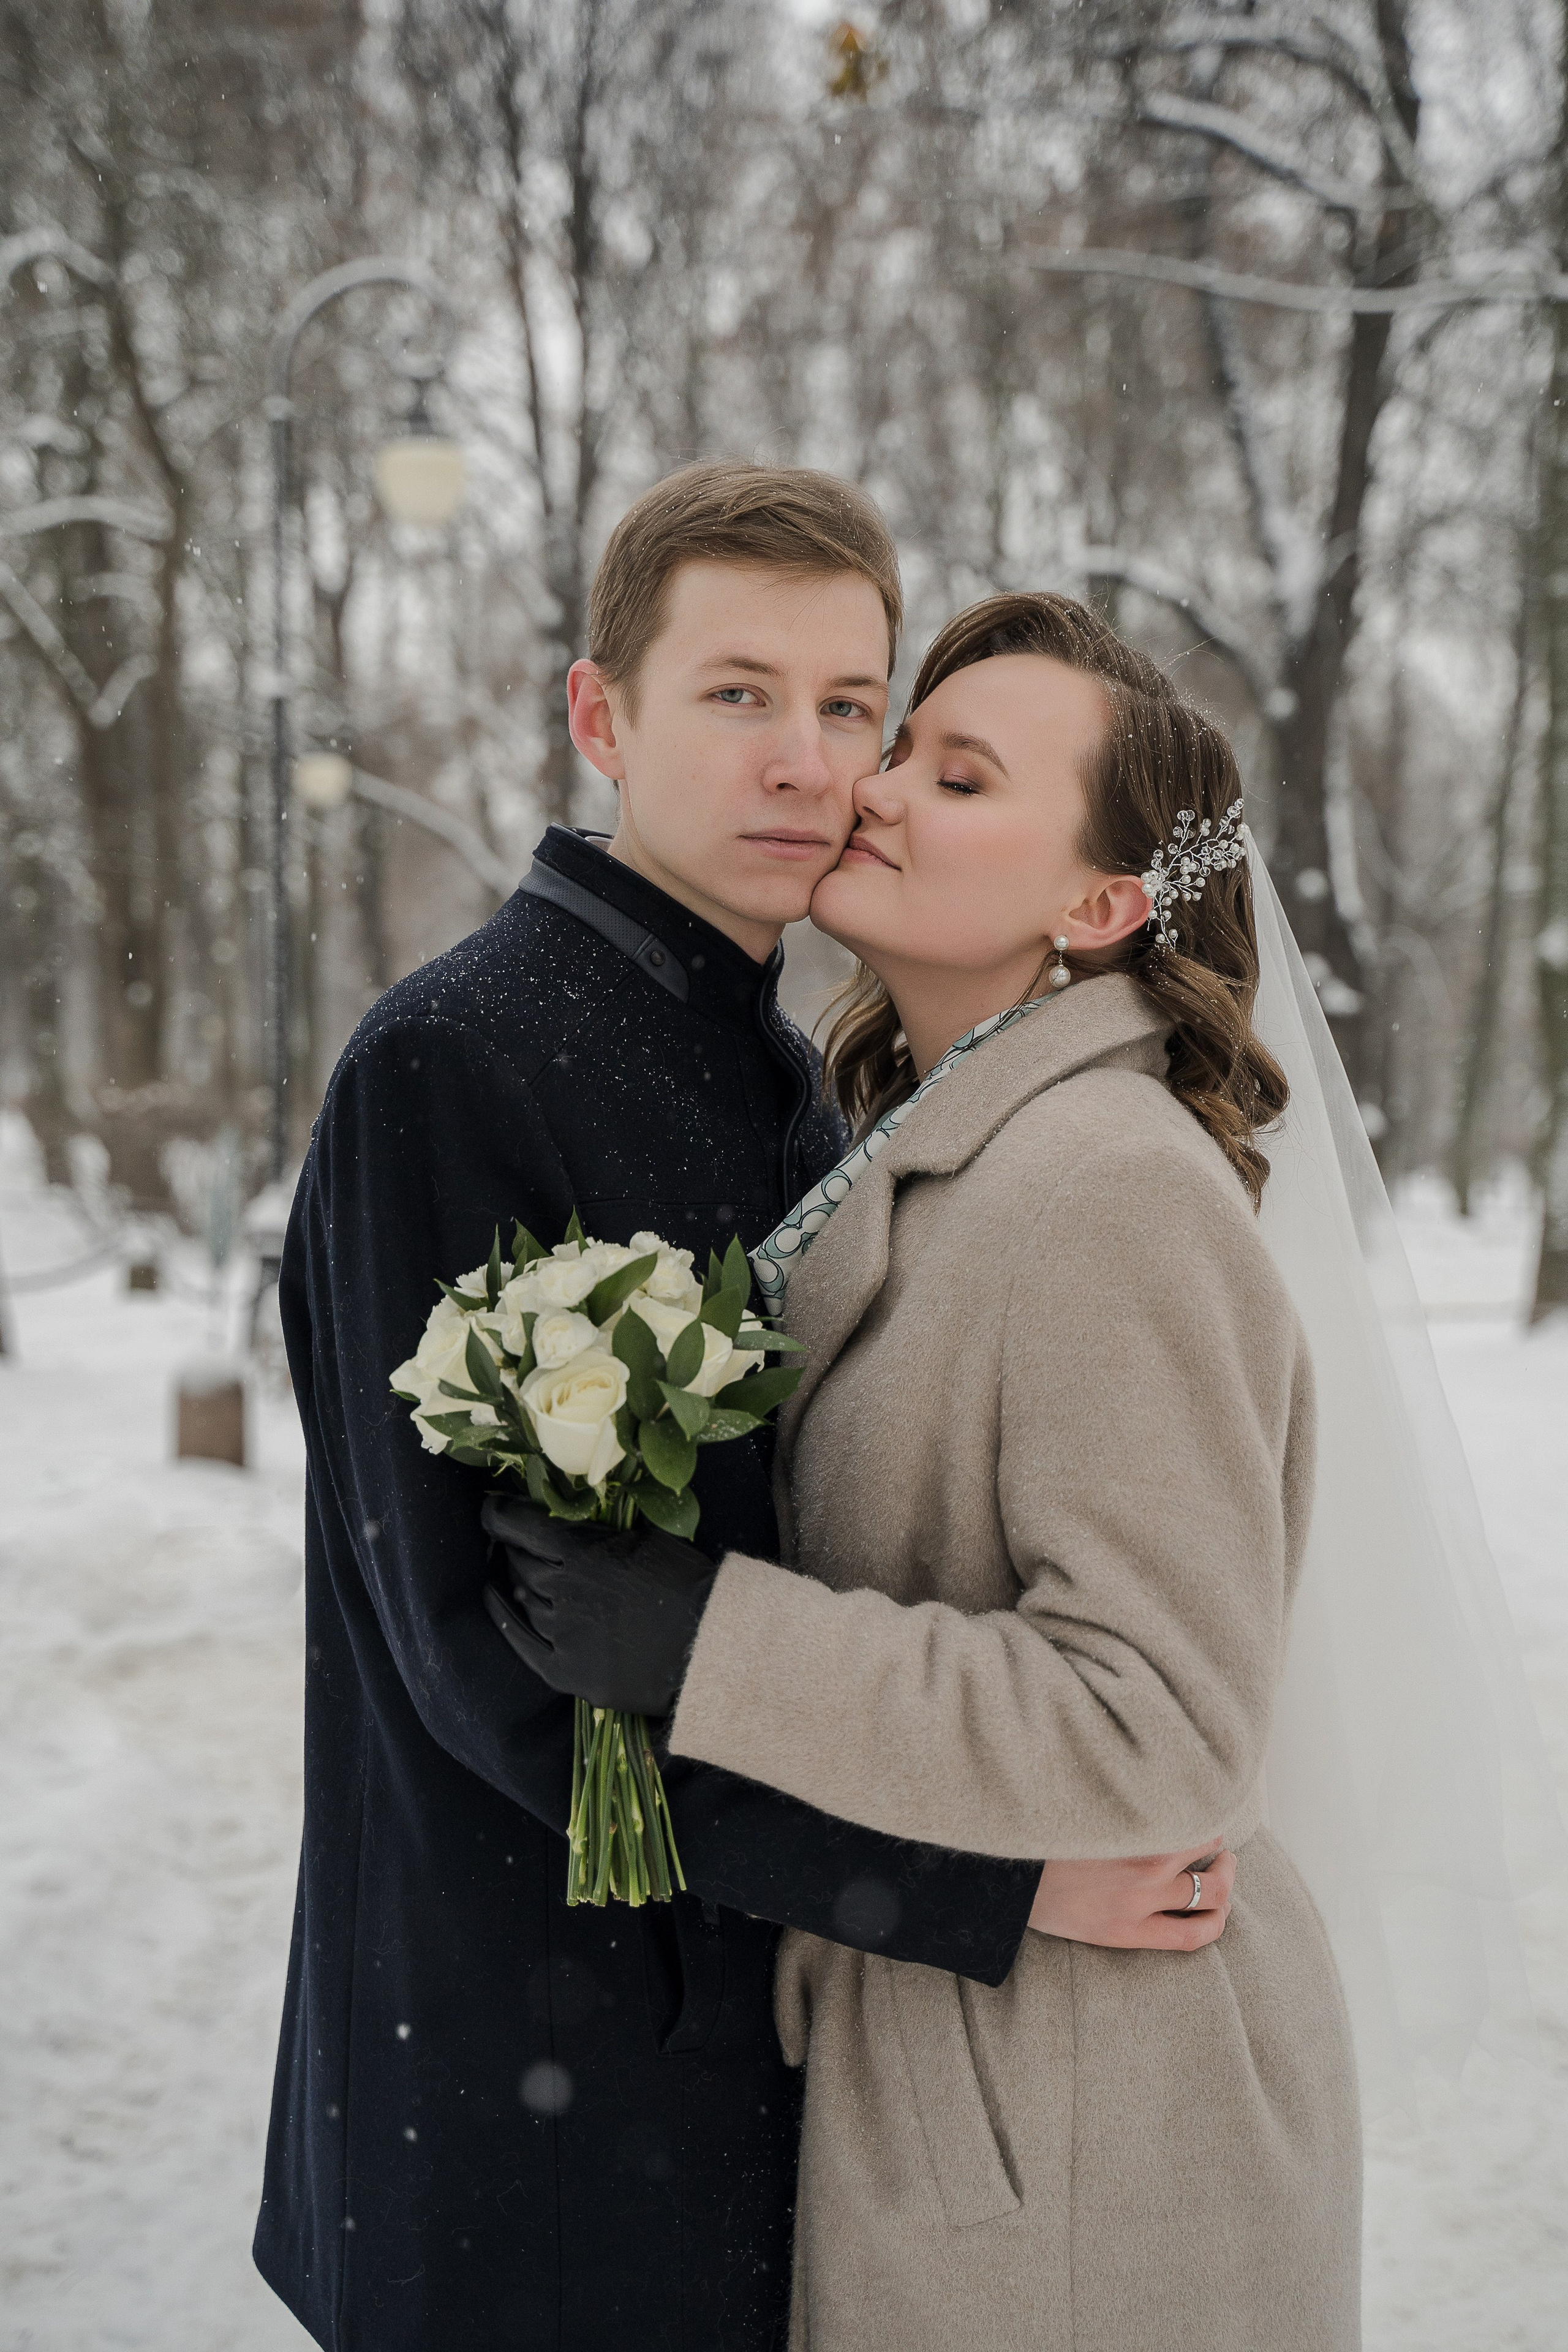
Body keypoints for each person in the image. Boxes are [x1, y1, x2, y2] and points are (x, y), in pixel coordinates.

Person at [254, 483, 1223, 2352]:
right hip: (527, 2100)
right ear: (600, 716)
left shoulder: (790, 1066)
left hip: (735, 2080)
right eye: (737, 694)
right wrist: (988, 1884)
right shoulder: (455, 1060)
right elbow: (493, 1671)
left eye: (851, 705)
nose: (809, 759)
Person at [488, 590, 1365, 2351]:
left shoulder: (1107, 1192)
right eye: (904, 748)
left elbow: (1160, 1725)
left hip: (1089, 2142)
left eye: (958, 778)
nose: (873, 789)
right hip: (988, 2078)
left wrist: (714, 1646)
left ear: (1098, 907)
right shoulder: (940, 1145)